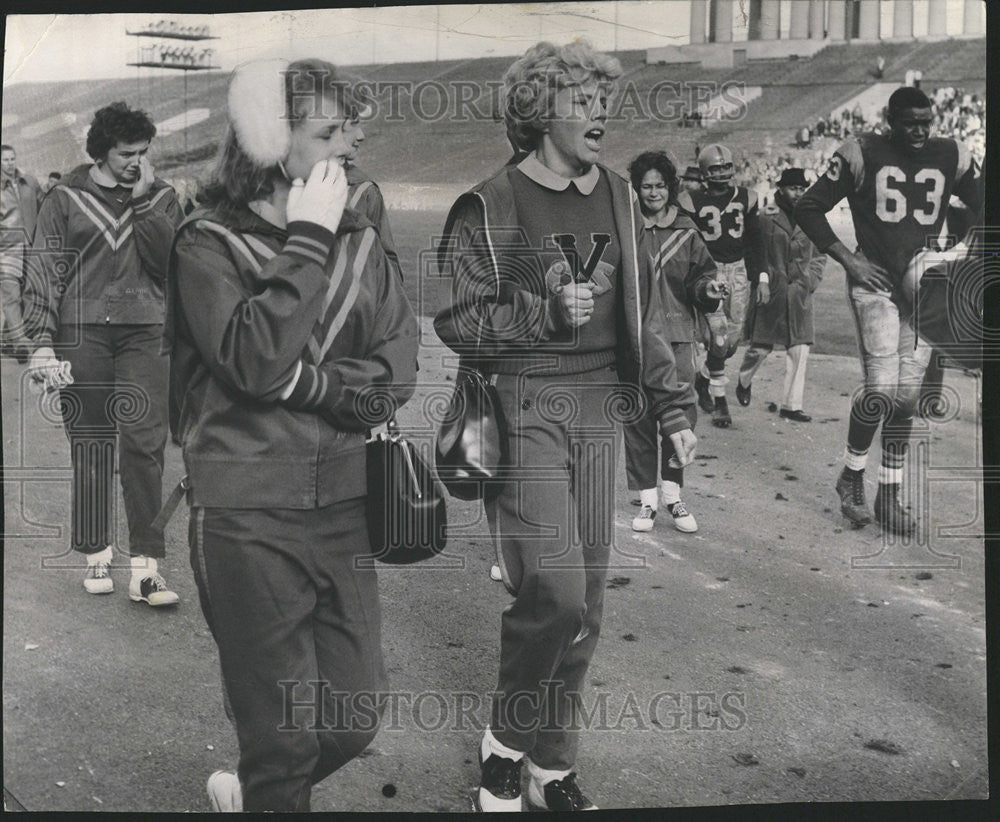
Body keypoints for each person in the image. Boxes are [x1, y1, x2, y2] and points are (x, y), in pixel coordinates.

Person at [434, 40, 697, 813]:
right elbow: (457, 317)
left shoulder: (619, 194)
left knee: (589, 603)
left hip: (598, 411)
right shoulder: (488, 203)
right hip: (521, 405)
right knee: (553, 588)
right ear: (540, 111)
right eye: (582, 100)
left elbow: (638, 314)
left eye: (603, 100)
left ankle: (553, 761)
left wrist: (674, 405)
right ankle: (505, 746)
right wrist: (541, 311)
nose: (600, 113)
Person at [165, 57, 418, 812]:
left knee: (352, 716)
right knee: (281, 738)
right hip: (244, 515)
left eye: (351, 127)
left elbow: (397, 370)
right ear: (274, 144)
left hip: (344, 506)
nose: (351, 143)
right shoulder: (203, 243)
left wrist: (315, 388)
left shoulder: (365, 234)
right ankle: (269, 787)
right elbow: (250, 356)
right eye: (329, 130)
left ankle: (255, 792)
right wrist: (307, 239)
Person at [796, 86, 981, 535]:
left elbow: (984, 205)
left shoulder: (953, 153)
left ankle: (890, 493)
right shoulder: (862, 151)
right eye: (910, 123)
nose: (919, 131)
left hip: (923, 287)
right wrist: (850, 259)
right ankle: (852, 476)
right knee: (880, 389)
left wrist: (957, 250)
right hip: (875, 284)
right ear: (890, 121)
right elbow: (809, 206)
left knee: (908, 398)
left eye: (925, 122)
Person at [21, 104, 183, 602]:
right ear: (100, 151)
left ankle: (146, 568)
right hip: (81, 332)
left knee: (145, 445)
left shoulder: (163, 196)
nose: (136, 161)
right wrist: (42, 343)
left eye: (143, 153)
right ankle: (96, 554)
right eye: (125, 153)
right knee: (91, 442)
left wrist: (143, 201)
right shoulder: (64, 197)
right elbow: (45, 271)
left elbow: (169, 264)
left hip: (146, 331)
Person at [624, 150, 722, 534]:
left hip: (679, 337)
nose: (653, 193)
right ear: (637, 189)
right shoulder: (626, 230)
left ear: (671, 187)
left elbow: (701, 280)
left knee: (682, 416)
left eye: (660, 186)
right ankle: (648, 500)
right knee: (638, 416)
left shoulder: (687, 231)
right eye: (646, 186)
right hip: (634, 340)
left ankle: (673, 494)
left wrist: (710, 289)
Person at [678, 142, 766, 428]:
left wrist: (762, 277)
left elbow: (756, 241)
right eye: (716, 168)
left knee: (731, 343)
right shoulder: (690, 200)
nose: (722, 172)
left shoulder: (746, 197)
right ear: (705, 172)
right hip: (709, 272)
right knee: (718, 337)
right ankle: (720, 402)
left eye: (726, 167)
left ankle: (702, 378)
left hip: (739, 271)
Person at [736, 168, 826, 422]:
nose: (798, 192)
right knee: (760, 347)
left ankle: (791, 404)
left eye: (802, 188)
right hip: (773, 291)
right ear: (781, 188)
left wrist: (811, 280)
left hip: (799, 293)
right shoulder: (766, 216)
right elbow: (755, 251)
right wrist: (763, 280)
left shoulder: (811, 217)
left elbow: (821, 253)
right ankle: (744, 379)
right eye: (793, 188)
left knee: (799, 349)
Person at [1, 143, 43, 362]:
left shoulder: (30, 183)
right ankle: (21, 343)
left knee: (27, 294)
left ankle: (8, 340)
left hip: (30, 248)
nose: (9, 163)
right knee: (11, 297)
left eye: (12, 158)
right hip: (6, 251)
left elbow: (44, 207)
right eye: (5, 159)